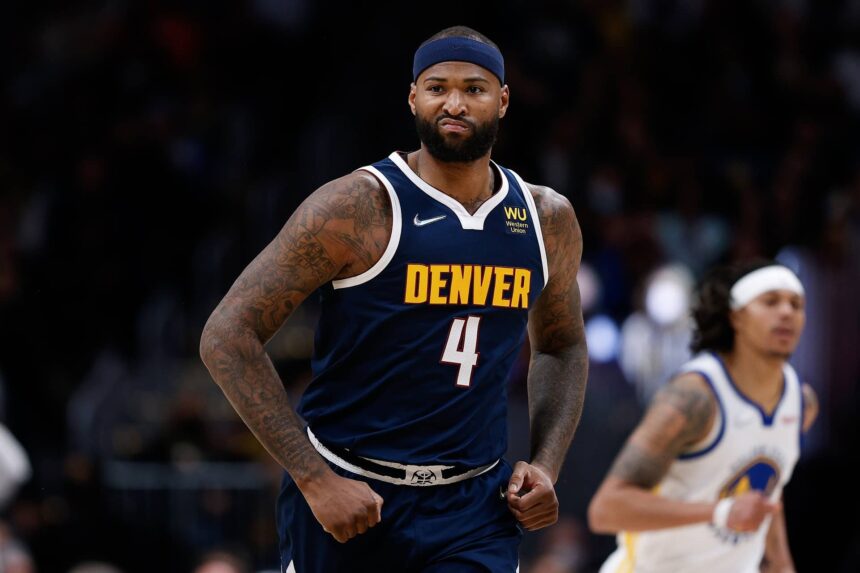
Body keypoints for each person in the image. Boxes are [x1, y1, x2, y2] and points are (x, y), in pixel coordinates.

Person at [200, 25, 588, 573]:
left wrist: (547, 465)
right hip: (352, 495)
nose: (454, 102)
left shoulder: (547, 219)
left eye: (474, 88)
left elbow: (562, 345)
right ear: (413, 98)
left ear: (503, 101)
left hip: (473, 507)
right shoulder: (358, 207)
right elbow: (226, 336)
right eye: (437, 87)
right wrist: (314, 478)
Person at [588, 260, 819, 573]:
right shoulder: (694, 397)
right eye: (770, 301)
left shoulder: (800, 403)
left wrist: (781, 565)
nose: (786, 312)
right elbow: (607, 510)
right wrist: (721, 513)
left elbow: (766, 498)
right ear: (736, 316)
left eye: (796, 304)